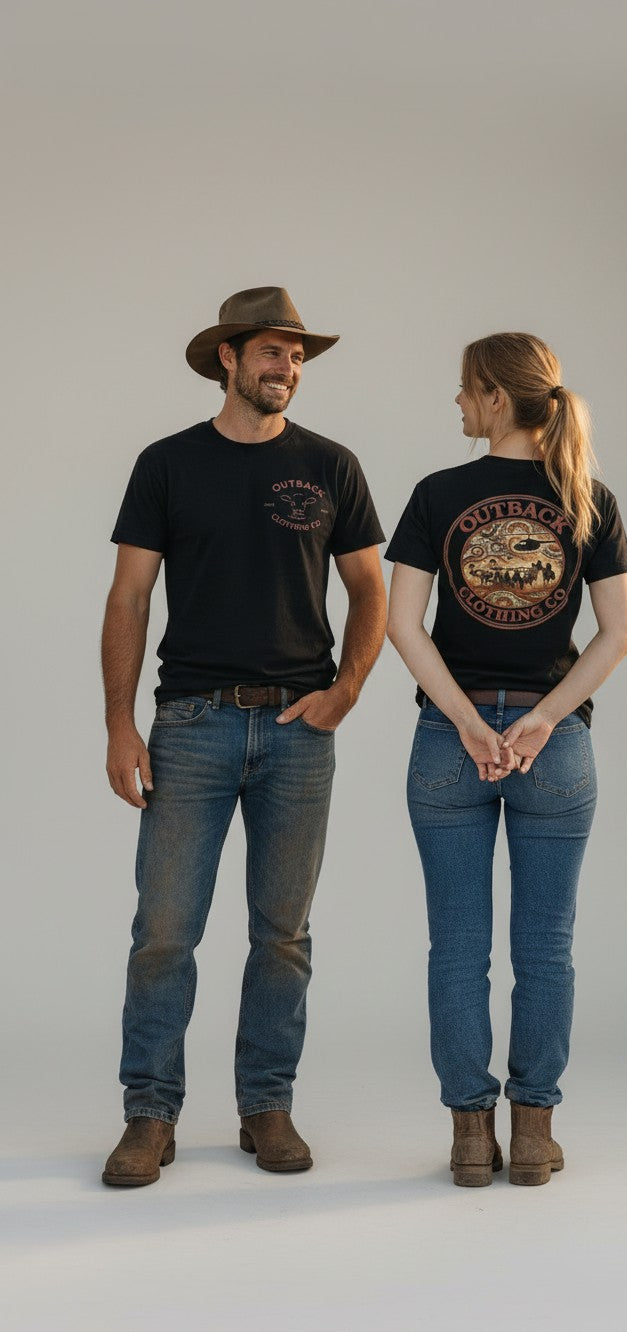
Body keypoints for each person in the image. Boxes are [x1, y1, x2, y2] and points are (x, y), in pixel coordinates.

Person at [101, 286, 386, 1187]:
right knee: (164, 932)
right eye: (271, 351)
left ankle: (266, 1105)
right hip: (191, 721)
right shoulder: (167, 464)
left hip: (301, 729)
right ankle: (150, 1115)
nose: (287, 368)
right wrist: (119, 724)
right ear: (226, 357)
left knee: (284, 935)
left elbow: (371, 591)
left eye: (298, 355)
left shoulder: (332, 464)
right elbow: (130, 598)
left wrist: (346, 690)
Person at [386, 332, 627, 1187]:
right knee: (547, 947)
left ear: (496, 396)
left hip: (449, 745)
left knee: (456, 949)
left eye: (464, 391)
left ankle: (467, 1139)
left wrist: (464, 720)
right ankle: (533, 1134)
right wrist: (540, 721)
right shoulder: (587, 497)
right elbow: (621, 632)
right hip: (554, 748)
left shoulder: (435, 494)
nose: (457, 406)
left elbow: (402, 627)